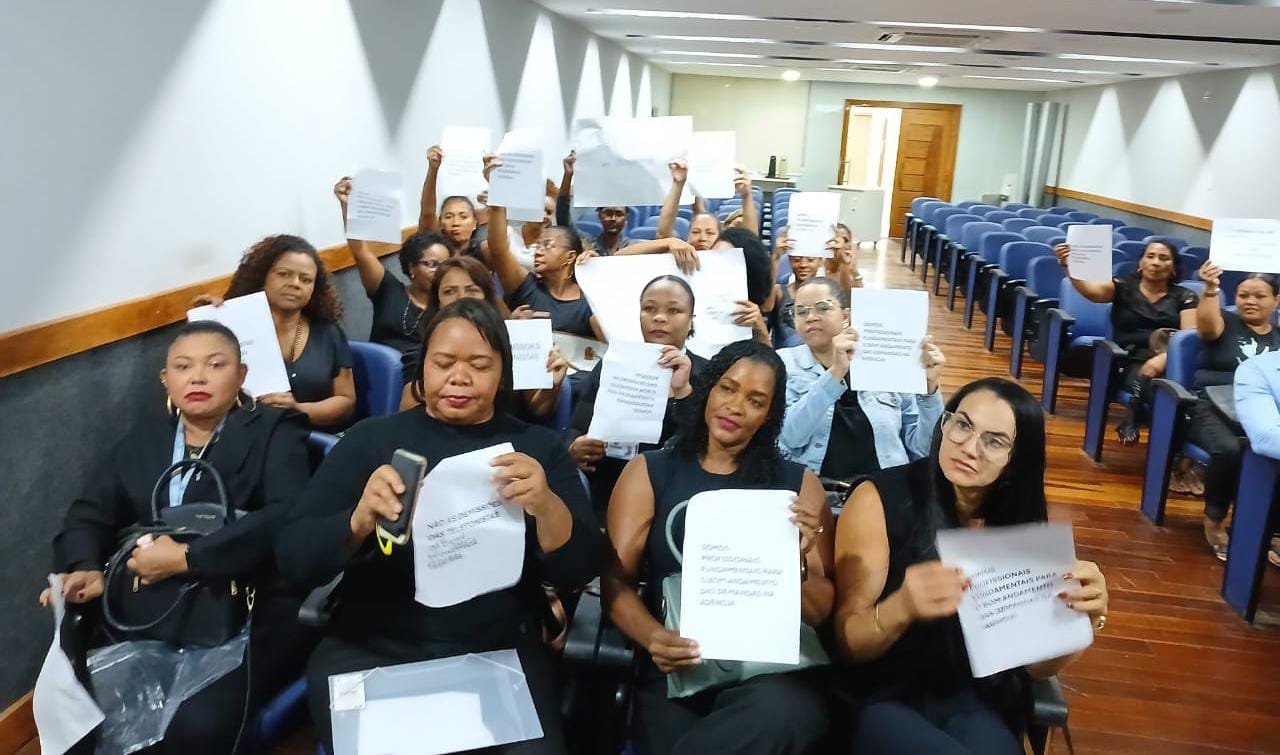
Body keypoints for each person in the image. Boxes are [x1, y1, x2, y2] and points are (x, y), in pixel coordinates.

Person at [278, 299, 605, 754]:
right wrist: (357, 521)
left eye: (479, 364)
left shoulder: (539, 449)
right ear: (422, 370)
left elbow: (581, 568)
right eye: (444, 362)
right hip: (375, 644)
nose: (459, 377)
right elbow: (295, 557)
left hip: (496, 648)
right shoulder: (373, 440)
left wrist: (547, 505)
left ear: (503, 374)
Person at [44, 321, 313, 754]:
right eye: (183, 367)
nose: (198, 377)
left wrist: (190, 557)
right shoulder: (146, 440)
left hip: (246, 609)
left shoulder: (275, 430)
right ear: (166, 380)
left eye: (216, 365)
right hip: (148, 606)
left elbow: (287, 515)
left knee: (194, 727)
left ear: (241, 375)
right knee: (83, 710)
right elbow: (89, 512)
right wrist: (86, 567)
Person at [834, 378, 1109, 753]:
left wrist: (1081, 623)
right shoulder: (879, 499)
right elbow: (849, 646)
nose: (969, 447)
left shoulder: (1023, 521)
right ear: (944, 424)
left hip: (975, 696)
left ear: (1016, 462)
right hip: (880, 693)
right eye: (962, 424)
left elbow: (1035, 667)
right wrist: (901, 607)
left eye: (994, 441)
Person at [602, 339, 835, 755]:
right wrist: (653, 637)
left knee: (779, 712)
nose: (736, 406)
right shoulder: (650, 472)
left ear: (769, 416)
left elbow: (820, 612)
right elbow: (615, 582)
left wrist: (794, 564)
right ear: (708, 388)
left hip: (771, 671)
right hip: (678, 663)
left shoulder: (798, 487)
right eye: (727, 388)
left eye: (756, 400)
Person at [778, 277, 947, 481]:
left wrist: (929, 388)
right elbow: (790, 437)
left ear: (845, 315)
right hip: (817, 487)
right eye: (801, 311)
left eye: (823, 308)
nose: (811, 317)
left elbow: (923, 448)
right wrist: (834, 374)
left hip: (883, 486)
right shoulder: (784, 363)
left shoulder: (887, 362)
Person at [566, 275, 705, 512]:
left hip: (677, 494)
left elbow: (708, 446)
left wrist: (684, 392)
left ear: (691, 320)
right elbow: (576, 429)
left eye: (674, 311)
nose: (659, 317)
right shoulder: (614, 363)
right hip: (609, 485)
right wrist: (574, 448)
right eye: (649, 308)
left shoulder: (707, 373)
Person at [197, 234, 356, 430]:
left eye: (306, 280)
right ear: (262, 277)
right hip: (243, 435)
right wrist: (201, 323)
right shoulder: (230, 326)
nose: (295, 283)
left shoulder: (328, 332)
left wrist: (299, 409)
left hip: (311, 437)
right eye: (283, 274)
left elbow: (345, 400)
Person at [1054, 240, 1197, 444]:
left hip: (1168, 359)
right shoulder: (1122, 287)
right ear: (1140, 263)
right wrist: (1069, 264)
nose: (1156, 262)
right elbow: (1091, 292)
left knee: (1186, 395)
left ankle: (1158, 436)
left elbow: (1188, 337)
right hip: (1126, 360)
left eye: (1164, 258)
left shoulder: (1185, 296)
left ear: (1173, 268)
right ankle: (1167, 452)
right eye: (1150, 256)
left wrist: (1165, 358)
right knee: (1163, 393)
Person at [398, 257, 568, 421]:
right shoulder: (425, 351)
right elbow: (408, 415)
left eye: (472, 290)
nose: (461, 298)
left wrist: (552, 384)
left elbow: (538, 409)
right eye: (449, 291)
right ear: (438, 301)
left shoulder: (514, 342)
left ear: (487, 297)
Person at [1189, 263, 1280, 558]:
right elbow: (1205, 325)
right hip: (1213, 405)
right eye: (1243, 295)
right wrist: (1211, 289)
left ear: (1276, 301)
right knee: (1228, 449)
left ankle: (1273, 530)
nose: (1250, 301)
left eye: (1259, 296)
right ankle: (1215, 519)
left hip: (1262, 410)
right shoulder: (1225, 322)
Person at [334, 176, 451, 371]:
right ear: (412, 267)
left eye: (445, 264)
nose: (440, 271)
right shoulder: (388, 290)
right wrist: (348, 207)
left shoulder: (450, 304)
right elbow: (360, 251)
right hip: (380, 379)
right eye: (431, 264)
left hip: (424, 382)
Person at [483, 156, 606, 341]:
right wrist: (497, 191)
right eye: (538, 245)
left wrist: (596, 268)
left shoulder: (590, 298)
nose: (538, 250)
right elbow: (498, 248)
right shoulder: (526, 287)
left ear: (570, 256)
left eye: (547, 245)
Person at [656, 160, 757, 250]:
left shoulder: (729, 256)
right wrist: (678, 184)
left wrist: (746, 195)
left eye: (710, 233)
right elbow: (663, 236)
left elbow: (751, 240)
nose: (702, 239)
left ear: (720, 237)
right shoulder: (682, 254)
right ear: (687, 236)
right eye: (695, 232)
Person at [555, 151, 633, 256]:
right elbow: (563, 220)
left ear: (626, 217)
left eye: (619, 214)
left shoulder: (634, 246)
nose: (613, 218)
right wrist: (568, 175)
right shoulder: (587, 243)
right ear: (599, 214)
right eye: (608, 213)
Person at [420, 144, 485, 260]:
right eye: (449, 217)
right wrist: (433, 169)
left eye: (463, 216)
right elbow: (427, 214)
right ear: (440, 223)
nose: (456, 223)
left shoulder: (484, 251)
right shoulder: (437, 253)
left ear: (475, 223)